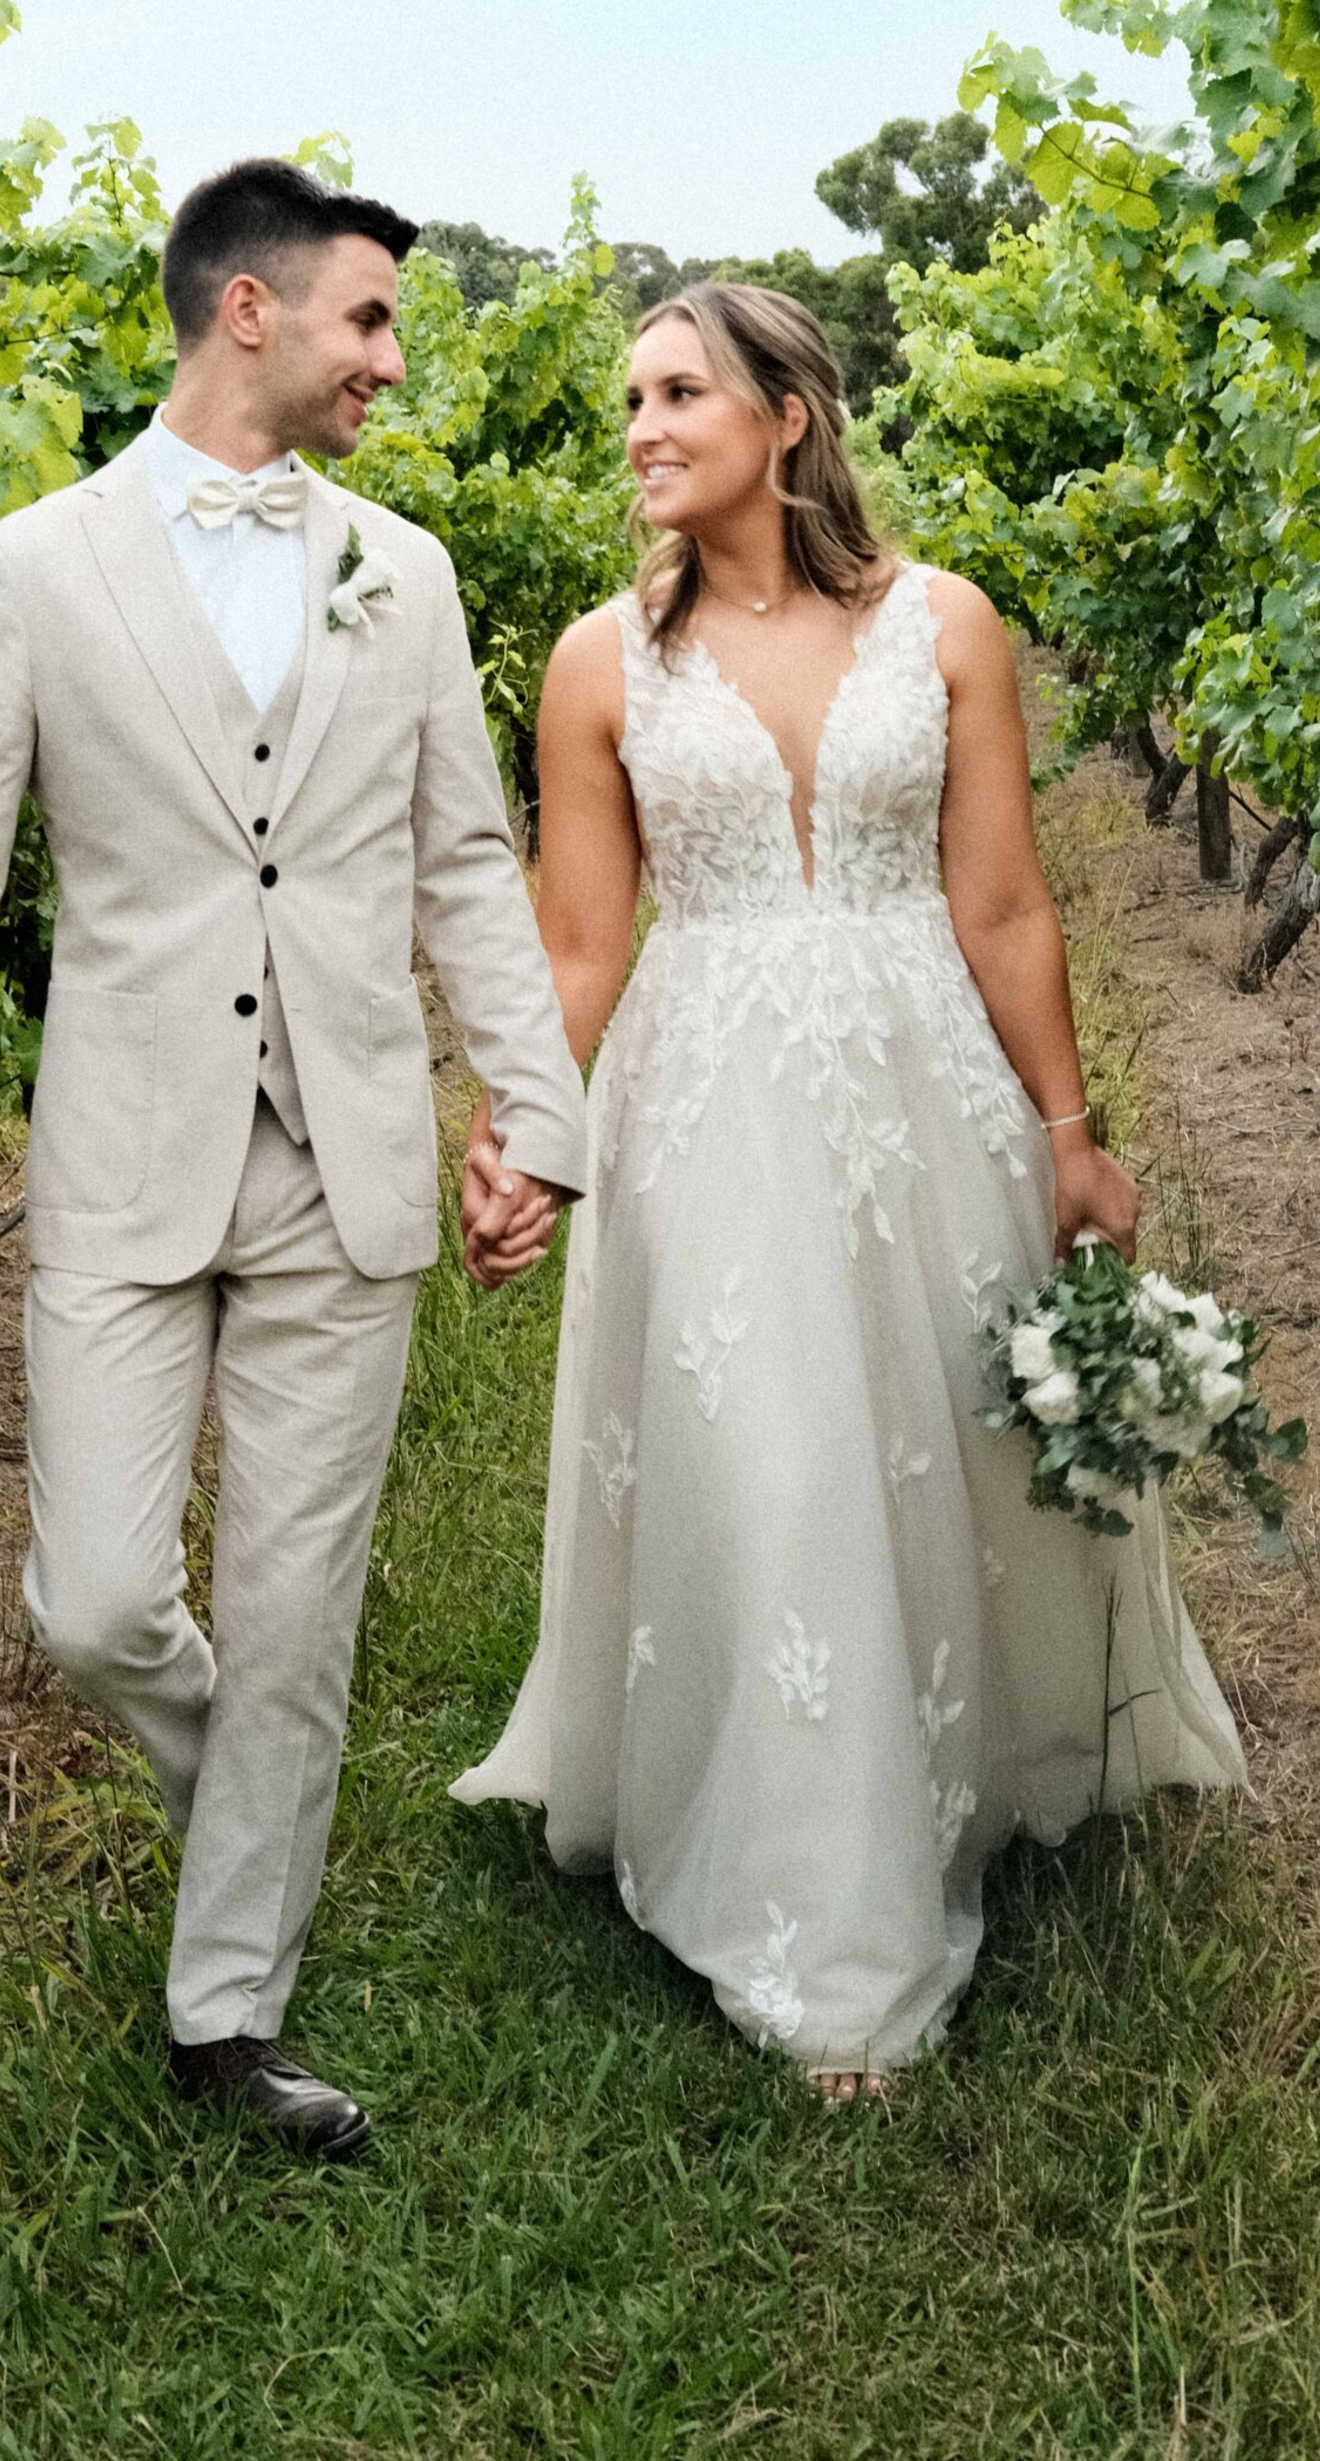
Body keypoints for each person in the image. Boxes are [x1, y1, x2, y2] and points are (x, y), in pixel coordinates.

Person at [0, 158, 584, 2159]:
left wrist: (538, 1112)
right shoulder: (39, 567)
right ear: (245, 311)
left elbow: (462, 859)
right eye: (368, 319)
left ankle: (226, 2015)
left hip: (346, 1151)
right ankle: (242, 1804)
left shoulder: (407, 573)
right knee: (93, 1605)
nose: (391, 360)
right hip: (122, 1156)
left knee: (295, 1606)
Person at [452, 282, 1245, 2096]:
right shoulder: (600, 664)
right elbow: (580, 944)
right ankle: (824, 1919)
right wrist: (529, 1138)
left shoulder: (946, 626)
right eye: (629, 400)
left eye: (679, 392)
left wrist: (1067, 1132)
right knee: (782, 1458)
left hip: (922, 1084)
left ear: (787, 414)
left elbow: (1006, 906)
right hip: (708, 1097)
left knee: (944, 1437)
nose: (643, 426)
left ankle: (972, 1767)